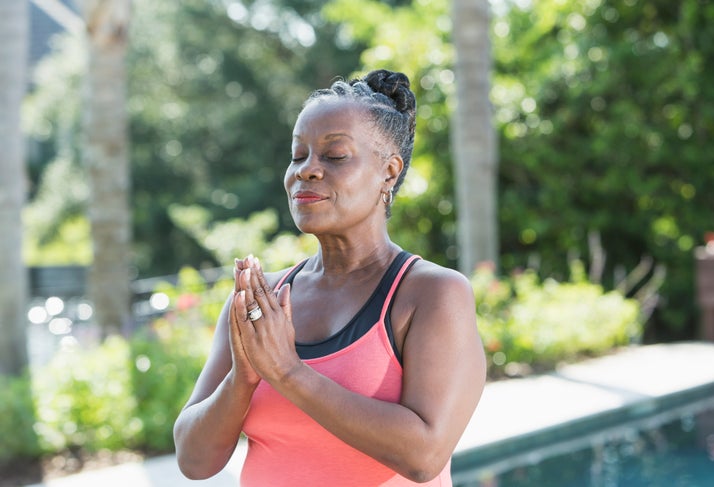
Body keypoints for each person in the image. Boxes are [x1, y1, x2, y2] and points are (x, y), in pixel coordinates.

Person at [173, 69, 486, 486]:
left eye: (334, 156)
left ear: (388, 173)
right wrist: (244, 377)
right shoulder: (259, 303)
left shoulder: (430, 294)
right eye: (297, 154)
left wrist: (287, 372)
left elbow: (424, 455)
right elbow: (194, 461)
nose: (306, 170)